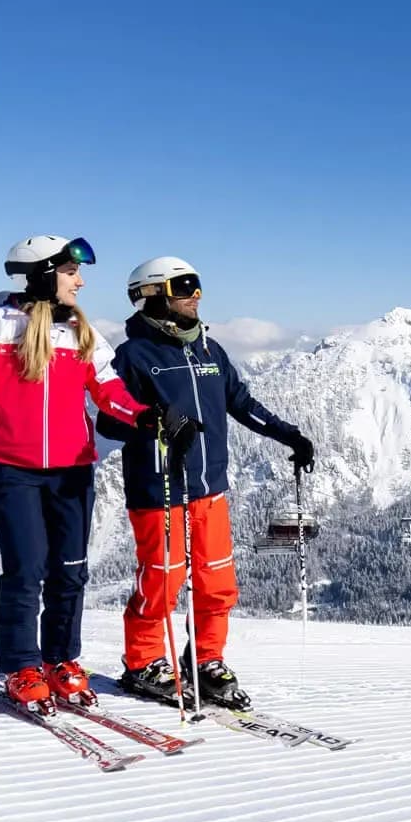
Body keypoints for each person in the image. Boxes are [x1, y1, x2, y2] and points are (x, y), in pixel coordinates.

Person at [0, 235, 157, 713]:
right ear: (44, 273)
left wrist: (145, 417)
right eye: (72, 271)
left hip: (73, 470)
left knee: (71, 571)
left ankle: (61, 659)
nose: (81, 280)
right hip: (11, 469)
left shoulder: (82, 331)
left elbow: (109, 388)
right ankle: (21, 665)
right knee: (27, 568)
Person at [99, 255, 315, 711]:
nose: (195, 294)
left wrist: (289, 436)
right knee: (162, 579)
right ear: (153, 294)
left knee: (218, 584)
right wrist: (153, 420)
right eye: (184, 285)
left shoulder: (209, 351)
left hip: (209, 490)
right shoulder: (134, 356)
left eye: (197, 284)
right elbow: (109, 421)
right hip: (160, 490)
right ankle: (142, 662)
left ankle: (205, 660)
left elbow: (241, 402)